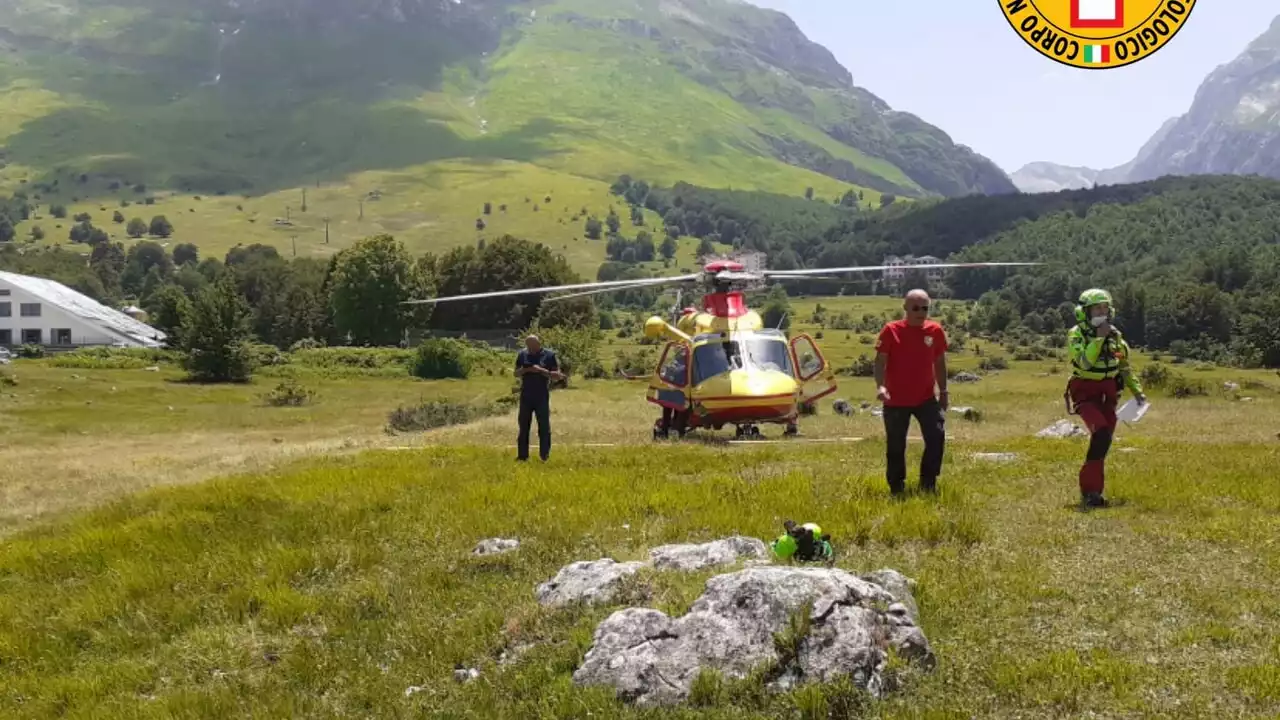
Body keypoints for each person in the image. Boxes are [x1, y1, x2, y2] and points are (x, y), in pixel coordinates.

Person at [1067, 289, 1146, 509]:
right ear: (1085, 312)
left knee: (1103, 442)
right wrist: (1098, 340)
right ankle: (1090, 490)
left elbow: (1122, 364)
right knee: (1100, 434)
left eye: (1104, 308)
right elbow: (1084, 362)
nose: (1101, 312)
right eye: (1096, 308)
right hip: (1085, 391)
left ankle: (1093, 493)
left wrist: (1137, 390)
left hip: (1109, 392)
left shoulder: (1115, 337)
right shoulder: (1076, 335)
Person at [874, 289, 949, 496]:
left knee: (936, 437)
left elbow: (940, 362)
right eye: (915, 308)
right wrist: (880, 386)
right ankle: (897, 488)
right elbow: (880, 362)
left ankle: (928, 483)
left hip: (926, 398)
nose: (920, 312)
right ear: (905, 308)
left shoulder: (935, 331)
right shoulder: (891, 330)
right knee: (896, 446)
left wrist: (943, 391)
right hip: (895, 400)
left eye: (925, 308)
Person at [514, 335, 563, 462]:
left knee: (544, 426)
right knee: (523, 426)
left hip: (541, 395)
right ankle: (522, 456)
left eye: (532, 347)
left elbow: (557, 376)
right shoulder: (522, 355)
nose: (530, 349)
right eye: (528, 347)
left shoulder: (549, 355)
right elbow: (516, 373)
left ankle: (544, 455)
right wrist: (526, 370)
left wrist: (540, 370)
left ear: (538, 344)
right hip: (526, 395)